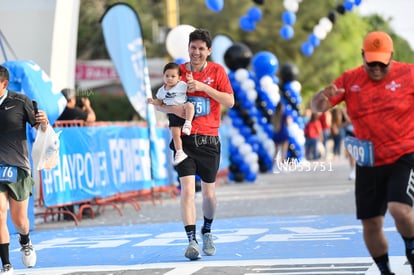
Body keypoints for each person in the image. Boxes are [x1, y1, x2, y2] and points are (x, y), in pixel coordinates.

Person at [311, 31, 414, 275]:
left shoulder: (409, 74)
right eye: (371, 62)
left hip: (404, 154)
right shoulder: (350, 79)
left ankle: (411, 248)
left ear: (391, 57)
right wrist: (321, 97)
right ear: (363, 57)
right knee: (371, 223)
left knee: (399, 209)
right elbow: (317, 107)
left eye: (382, 62)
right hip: (368, 160)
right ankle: (385, 271)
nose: (376, 68)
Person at [154, 28, 234, 260]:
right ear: (187, 48)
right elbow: (160, 102)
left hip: (209, 140)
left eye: (201, 48)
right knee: (187, 190)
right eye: (193, 47)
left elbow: (230, 101)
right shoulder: (177, 71)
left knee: (209, 195)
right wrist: (174, 109)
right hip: (184, 140)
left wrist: (203, 88)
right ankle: (191, 241)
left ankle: (207, 229)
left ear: (209, 51)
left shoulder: (217, 71)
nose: (196, 52)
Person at [0, 65, 49, 273]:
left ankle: (25, 239)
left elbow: (39, 127)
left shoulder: (21, 101)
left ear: (4, 84)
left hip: (18, 167)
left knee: (19, 220)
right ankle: (6, 264)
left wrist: (44, 123)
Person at [57, 88, 96, 220]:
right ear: (71, 99)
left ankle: (67, 211)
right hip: (77, 151)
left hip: (62, 151)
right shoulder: (73, 111)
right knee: (80, 178)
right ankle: (84, 208)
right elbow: (92, 118)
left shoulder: (57, 113)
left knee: (66, 180)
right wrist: (88, 106)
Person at [148, 62, 195, 165]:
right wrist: (153, 101)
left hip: (183, 109)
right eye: (167, 76)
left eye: (173, 76)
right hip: (173, 115)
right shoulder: (161, 91)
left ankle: (188, 123)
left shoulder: (181, 85)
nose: (169, 78)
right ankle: (179, 151)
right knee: (175, 134)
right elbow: (159, 102)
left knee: (190, 106)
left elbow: (191, 88)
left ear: (179, 78)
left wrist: (190, 79)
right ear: (163, 76)